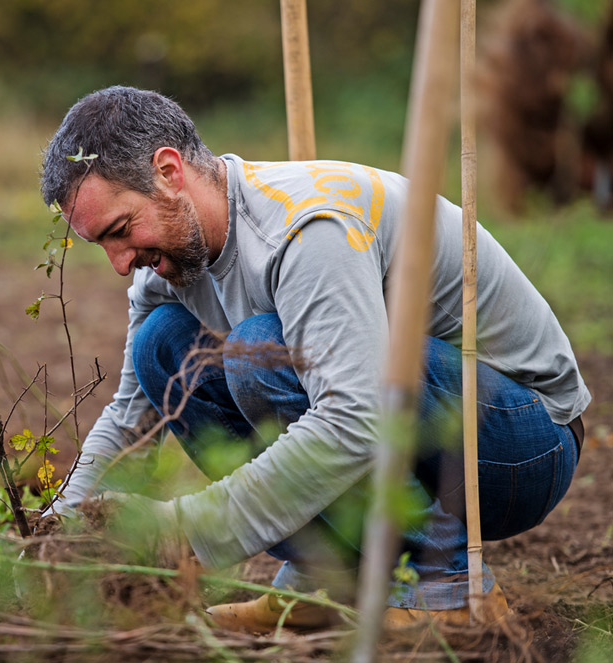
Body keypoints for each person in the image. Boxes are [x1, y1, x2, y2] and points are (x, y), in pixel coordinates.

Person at [39, 86, 591, 631]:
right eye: (101, 244)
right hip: (420, 424)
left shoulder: (306, 229)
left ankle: (444, 588)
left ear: (168, 171)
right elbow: (133, 414)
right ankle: (327, 577)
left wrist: (188, 533)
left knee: (264, 350)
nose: (119, 263)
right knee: (162, 343)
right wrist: (57, 530)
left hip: (521, 445)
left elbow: (357, 416)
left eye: (120, 230)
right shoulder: (167, 267)